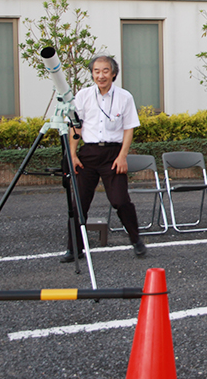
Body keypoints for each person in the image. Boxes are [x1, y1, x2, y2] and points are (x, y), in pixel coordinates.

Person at [60, 53, 146, 262]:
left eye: (105, 71)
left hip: (113, 154)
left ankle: (136, 240)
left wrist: (123, 156)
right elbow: (75, 127)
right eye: (96, 71)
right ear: (92, 74)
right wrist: (72, 154)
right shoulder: (83, 96)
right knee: (78, 203)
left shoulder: (125, 97)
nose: (101, 75)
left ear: (114, 73)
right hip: (87, 154)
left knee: (119, 200)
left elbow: (128, 128)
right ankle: (74, 248)